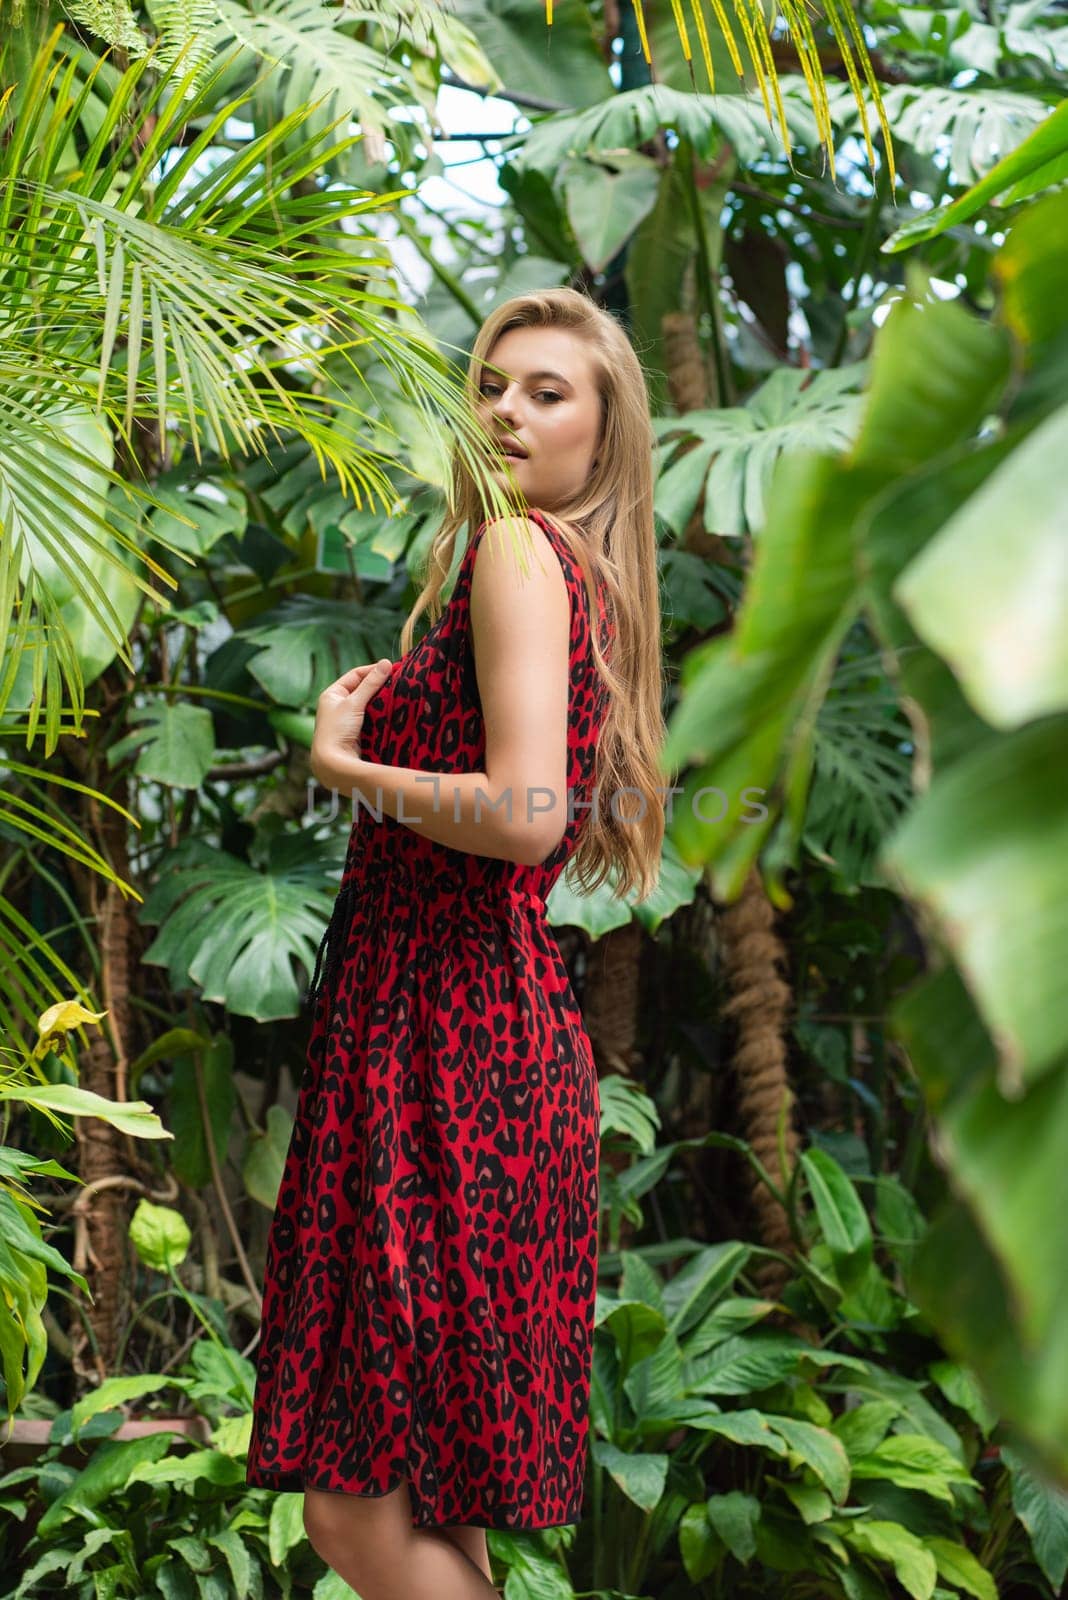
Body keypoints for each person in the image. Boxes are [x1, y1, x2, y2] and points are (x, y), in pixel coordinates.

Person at [245, 287, 666, 1599]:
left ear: (605, 439)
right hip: (462, 1043)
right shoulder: (547, 563)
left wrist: (343, 765)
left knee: (357, 1520)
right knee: (426, 1504)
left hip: (453, 1049)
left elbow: (526, 818)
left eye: (549, 393)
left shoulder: (521, 554)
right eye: (494, 384)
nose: (506, 410)